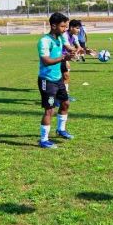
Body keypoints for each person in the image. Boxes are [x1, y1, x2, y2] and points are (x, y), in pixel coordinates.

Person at [38, 12, 76, 148]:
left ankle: (61, 130)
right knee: (49, 110)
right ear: (53, 26)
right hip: (46, 80)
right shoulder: (44, 41)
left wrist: (81, 50)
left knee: (65, 103)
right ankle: (43, 140)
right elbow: (46, 61)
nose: (65, 29)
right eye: (63, 26)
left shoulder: (60, 38)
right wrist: (63, 58)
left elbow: (69, 48)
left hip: (58, 78)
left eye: (66, 26)